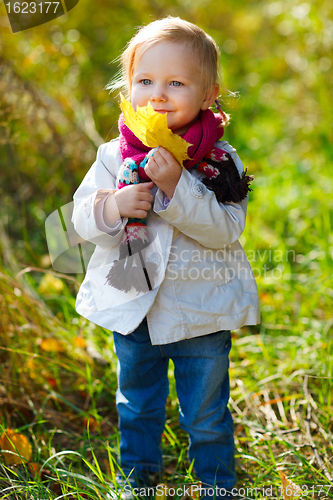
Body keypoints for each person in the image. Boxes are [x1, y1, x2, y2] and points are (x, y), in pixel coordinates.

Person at [72, 16, 260, 498]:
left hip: (202, 312)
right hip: (134, 310)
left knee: (206, 410)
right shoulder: (114, 156)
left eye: (176, 83)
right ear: (128, 86)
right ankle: (137, 477)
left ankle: (217, 483)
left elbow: (225, 230)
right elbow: (80, 221)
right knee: (136, 403)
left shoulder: (221, 161)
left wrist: (178, 187)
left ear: (208, 94)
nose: (158, 94)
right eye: (145, 81)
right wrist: (113, 206)